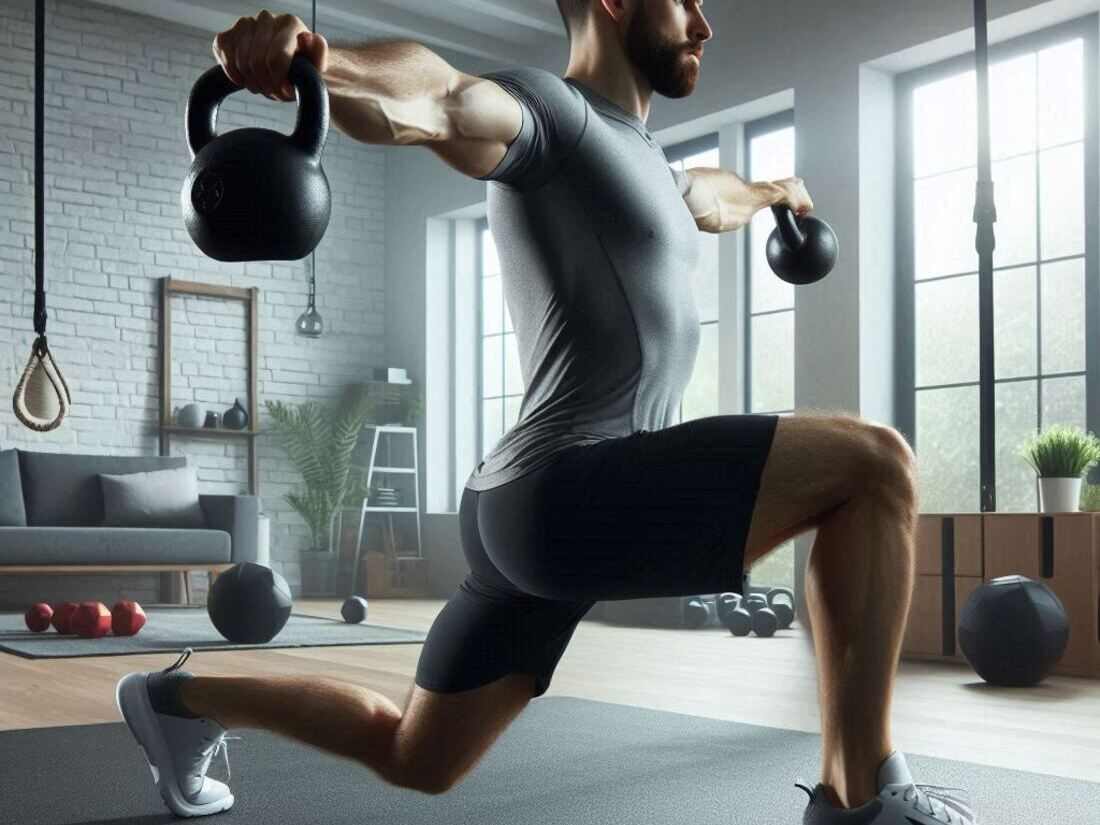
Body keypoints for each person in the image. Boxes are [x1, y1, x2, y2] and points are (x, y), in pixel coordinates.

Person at [116, 2, 975, 823]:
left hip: (514, 506)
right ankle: (858, 796)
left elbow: (705, 197)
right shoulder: (551, 113)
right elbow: (444, 100)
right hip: (573, 491)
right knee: (877, 463)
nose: (705, 24)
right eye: (683, 1)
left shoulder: (645, 165)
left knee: (417, 754)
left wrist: (772, 191)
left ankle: (180, 699)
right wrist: (317, 60)